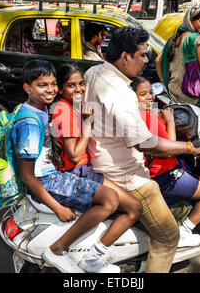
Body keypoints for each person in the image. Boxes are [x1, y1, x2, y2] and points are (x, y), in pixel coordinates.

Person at [84, 26, 200, 273]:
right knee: (167, 236)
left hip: (100, 163)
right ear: (124, 56)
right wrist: (190, 147)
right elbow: (145, 143)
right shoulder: (120, 92)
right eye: (142, 55)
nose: (146, 61)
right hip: (128, 177)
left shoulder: (93, 72)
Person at [11, 59, 139, 273]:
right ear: (27, 87)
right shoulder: (30, 123)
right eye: (42, 85)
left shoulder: (41, 109)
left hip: (54, 174)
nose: (49, 90)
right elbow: (28, 176)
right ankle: (58, 249)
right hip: (49, 180)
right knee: (111, 200)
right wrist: (57, 207)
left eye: (52, 84)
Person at [50, 62, 142, 260]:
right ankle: (80, 252)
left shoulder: (69, 107)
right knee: (134, 208)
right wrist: (88, 123)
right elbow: (74, 154)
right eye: (71, 85)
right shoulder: (64, 111)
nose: (79, 89)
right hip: (78, 171)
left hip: (82, 168)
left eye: (81, 83)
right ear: (60, 88)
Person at [130, 76, 200, 247]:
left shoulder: (132, 116)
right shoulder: (148, 118)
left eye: (151, 92)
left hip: (147, 174)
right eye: (143, 94)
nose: (150, 97)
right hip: (165, 176)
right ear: (132, 97)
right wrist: (171, 122)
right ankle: (184, 231)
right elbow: (170, 150)